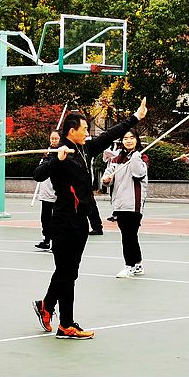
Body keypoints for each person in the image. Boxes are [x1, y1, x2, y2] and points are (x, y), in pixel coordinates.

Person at [32, 97, 147, 340]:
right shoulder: (59, 152)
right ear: (72, 131)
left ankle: (47, 305)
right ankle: (66, 325)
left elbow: (109, 135)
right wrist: (56, 160)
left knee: (68, 272)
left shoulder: (84, 149)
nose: (87, 133)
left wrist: (135, 117)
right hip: (63, 221)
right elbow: (38, 175)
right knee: (67, 274)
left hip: (80, 221)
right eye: (84, 129)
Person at [102, 128, 149, 278]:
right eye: (126, 138)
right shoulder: (116, 158)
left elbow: (138, 173)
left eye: (132, 137)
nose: (128, 141)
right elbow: (109, 174)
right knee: (129, 235)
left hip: (134, 203)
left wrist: (135, 157)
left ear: (137, 140)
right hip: (119, 202)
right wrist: (106, 179)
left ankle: (129, 266)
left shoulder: (142, 157)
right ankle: (138, 264)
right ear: (122, 141)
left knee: (129, 235)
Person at [33, 129, 60, 251]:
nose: (53, 140)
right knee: (45, 218)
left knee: (56, 219)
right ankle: (46, 240)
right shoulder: (47, 153)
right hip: (45, 192)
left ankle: (56, 242)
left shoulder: (61, 153)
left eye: (56, 138)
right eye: (52, 138)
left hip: (57, 193)